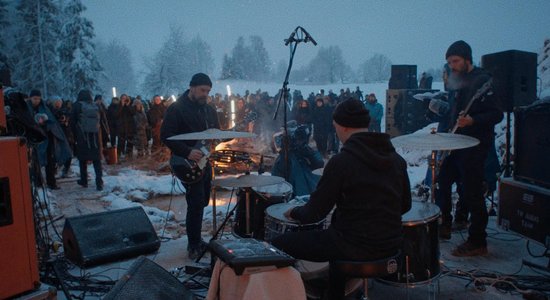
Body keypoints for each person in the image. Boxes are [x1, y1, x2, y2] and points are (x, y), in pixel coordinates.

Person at [271, 99, 412, 275]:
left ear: (343, 127)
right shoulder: (396, 160)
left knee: (278, 244)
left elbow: (314, 213)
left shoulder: (342, 162)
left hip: (352, 246)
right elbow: (406, 205)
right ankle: (339, 286)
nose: (335, 132)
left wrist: (295, 212)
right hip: (391, 244)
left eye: (335, 126)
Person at [435, 40, 503, 256]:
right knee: (443, 180)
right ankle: (444, 224)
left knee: (473, 190)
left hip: (475, 144)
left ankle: (477, 240)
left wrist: (473, 120)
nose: (452, 66)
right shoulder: (458, 80)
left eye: (455, 61)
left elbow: (497, 114)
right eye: (449, 62)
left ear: (467, 59)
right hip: (456, 142)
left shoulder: (483, 80)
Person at [160, 73, 220, 260]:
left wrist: (222, 136)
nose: (205, 94)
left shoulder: (209, 110)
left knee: (202, 202)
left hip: (204, 161)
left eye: (208, 91)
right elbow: (166, 135)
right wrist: (186, 152)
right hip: (185, 162)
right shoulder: (176, 109)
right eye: (202, 90)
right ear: (192, 87)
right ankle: (193, 244)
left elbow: (216, 133)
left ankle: (197, 239)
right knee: (195, 202)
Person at [27, 89, 72, 189]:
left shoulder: (45, 107)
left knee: (50, 162)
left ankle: (51, 183)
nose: (37, 101)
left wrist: (45, 123)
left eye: (38, 98)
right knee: (35, 162)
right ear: (31, 98)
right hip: (33, 139)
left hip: (46, 138)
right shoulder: (27, 108)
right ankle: (38, 184)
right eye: (35, 98)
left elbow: (52, 121)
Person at [71, 89, 106, 191]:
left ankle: (84, 181)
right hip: (96, 137)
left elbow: (72, 122)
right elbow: (103, 120)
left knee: (83, 160)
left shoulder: (77, 106)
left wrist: (74, 135)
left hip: (83, 137)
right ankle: (99, 183)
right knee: (97, 161)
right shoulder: (97, 106)